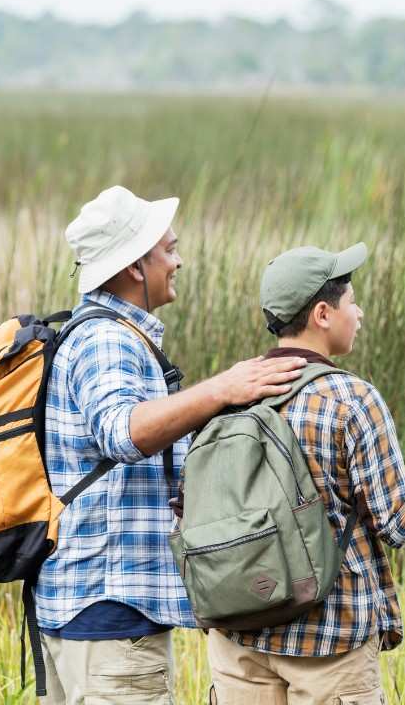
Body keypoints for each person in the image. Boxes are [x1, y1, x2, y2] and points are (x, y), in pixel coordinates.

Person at [206, 242, 405, 704]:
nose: (359, 314)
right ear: (322, 313)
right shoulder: (350, 399)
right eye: (352, 303)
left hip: (236, 634)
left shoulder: (230, 393)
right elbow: (398, 522)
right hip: (328, 639)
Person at [37, 185, 307, 704]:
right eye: (169, 249)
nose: (178, 261)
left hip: (91, 614)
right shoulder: (107, 339)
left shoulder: (102, 334)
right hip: (111, 617)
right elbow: (122, 431)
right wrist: (223, 388)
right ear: (136, 266)